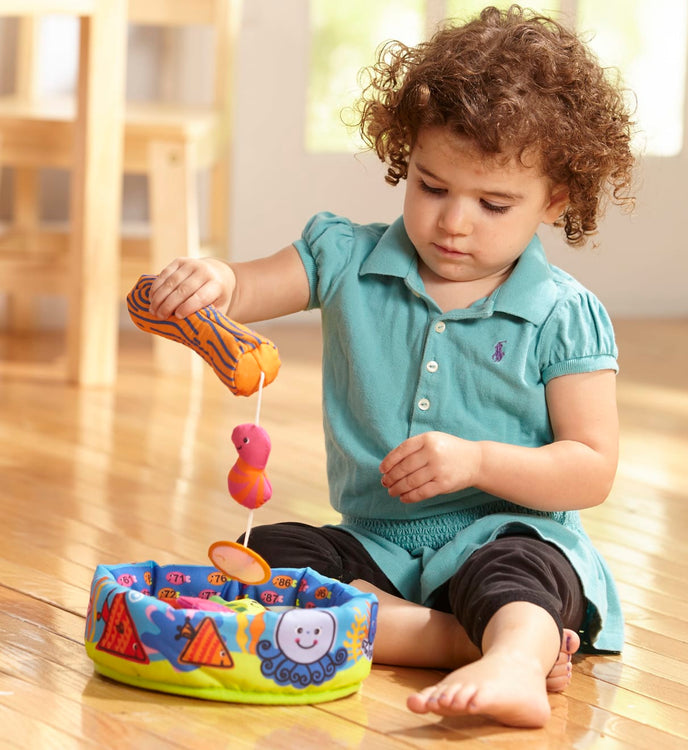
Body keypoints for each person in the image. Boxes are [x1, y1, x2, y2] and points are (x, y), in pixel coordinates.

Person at [148, 5, 635, 727]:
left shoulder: (563, 313)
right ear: (405, 157)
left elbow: (591, 467)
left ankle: (511, 657)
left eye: (493, 202)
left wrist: (477, 461)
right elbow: (249, 287)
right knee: (266, 557)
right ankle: (459, 641)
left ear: (553, 199)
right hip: (375, 544)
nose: (453, 221)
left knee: (522, 579)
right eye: (431, 186)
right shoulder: (346, 258)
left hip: (505, 537)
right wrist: (215, 280)